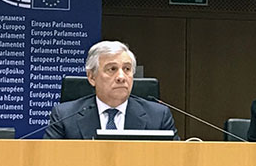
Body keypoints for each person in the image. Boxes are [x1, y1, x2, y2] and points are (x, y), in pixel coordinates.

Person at [44, 40, 177, 139]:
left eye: (127, 69)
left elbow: (176, 163)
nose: (121, 77)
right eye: (112, 69)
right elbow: (48, 162)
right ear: (91, 77)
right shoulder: (64, 117)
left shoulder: (158, 117)